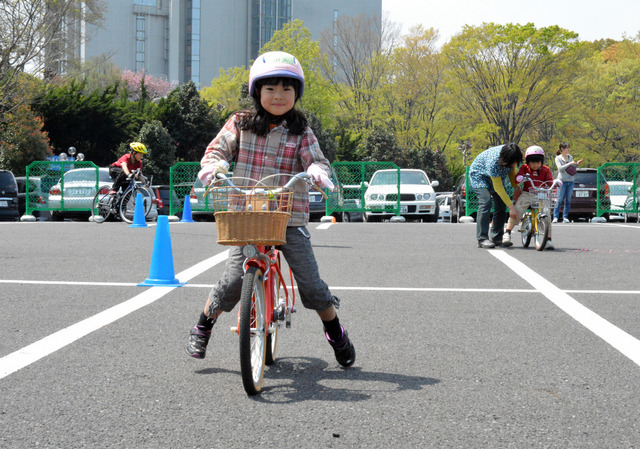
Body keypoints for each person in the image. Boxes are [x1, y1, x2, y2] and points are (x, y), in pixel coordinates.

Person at [185, 51, 355, 368]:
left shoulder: (301, 131)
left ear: (296, 94)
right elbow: (217, 149)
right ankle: (203, 326)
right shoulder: (240, 123)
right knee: (234, 279)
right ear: (257, 92)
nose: (278, 96)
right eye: (271, 89)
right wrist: (214, 166)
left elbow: (315, 159)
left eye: (287, 89)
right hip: (246, 215)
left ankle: (335, 332)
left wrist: (318, 171)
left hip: (287, 217)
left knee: (310, 283)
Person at [468, 143, 523, 248]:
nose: (514, 165)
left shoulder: (511, 154)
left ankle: (497, 237)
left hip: (495, 177)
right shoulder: (493, 162)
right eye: (513, 163)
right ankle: (482, 238)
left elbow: (511, 172)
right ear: (505, 160)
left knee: (501, 204)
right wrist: (511, 207)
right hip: (479, 176)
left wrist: (516, 187)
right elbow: (498, 188)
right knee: (486, 201)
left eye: (516, 162)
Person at [502, 146, 556, 250]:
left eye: (538, 162)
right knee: (518, 210)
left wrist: (555, 184)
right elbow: (518, 179)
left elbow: (550, 182)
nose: (535, 165)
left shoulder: (546, 170)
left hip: (542, 194)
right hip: (527, 193)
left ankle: (548, 239)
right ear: (527, 162)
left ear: (542, 161)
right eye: (532, 162)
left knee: (547, 213)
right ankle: (507, 233)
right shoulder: (524, 168)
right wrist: (520, 178)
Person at [553, 142, 582, 223]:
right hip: (562, 181)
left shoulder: (570, 157)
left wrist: (576, 164)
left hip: (571, 181)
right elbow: (560, 169)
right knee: (559, 199)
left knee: (568, 200)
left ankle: (565, 217)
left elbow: (571, 168)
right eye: (567, 148)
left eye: (569, 148)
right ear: (562, 149)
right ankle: (555, 217)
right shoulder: (558, 158)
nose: (569, 150)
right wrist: (569, 163)